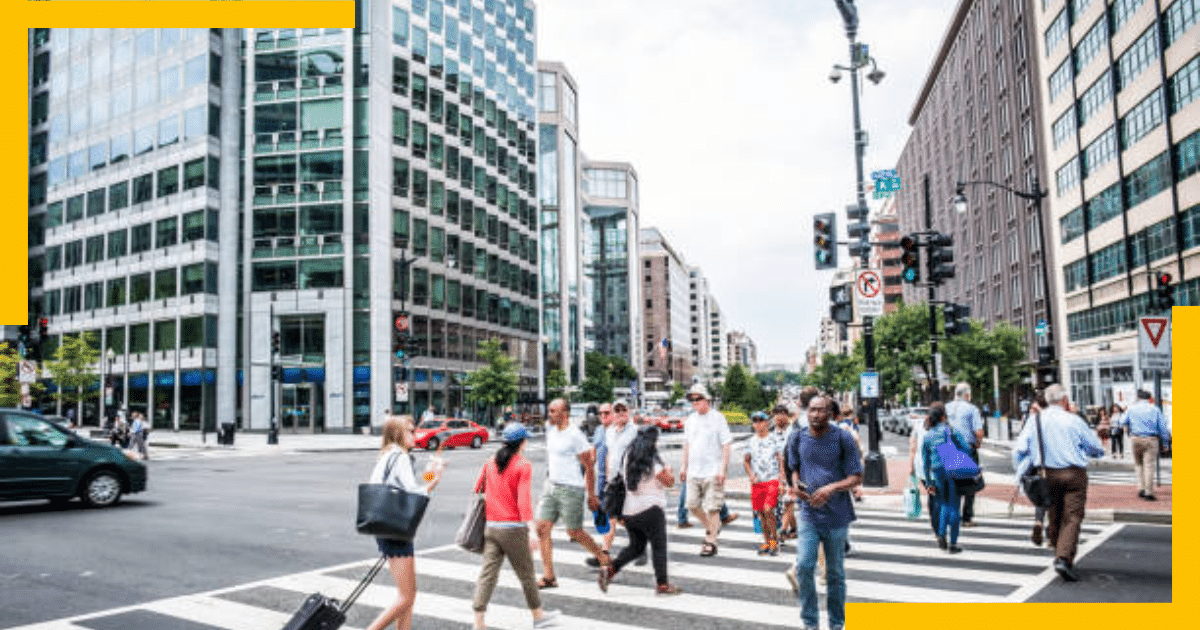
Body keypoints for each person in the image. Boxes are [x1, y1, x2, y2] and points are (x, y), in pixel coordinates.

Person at [1012, 384, 1106, 582]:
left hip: (1046, 473)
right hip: (1073, 474)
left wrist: (1024, 468)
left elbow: (1020, 449)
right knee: (1072, 516)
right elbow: (1095, 448)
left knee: (1054, 513)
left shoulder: (1034, 420)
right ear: (1064, 400)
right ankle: (1063, 558)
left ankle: (1058, 550)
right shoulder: (1074, 420)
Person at [471, 422, 561, 630]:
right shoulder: (523, 465)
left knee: (487, 575)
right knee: (527, 574)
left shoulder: (490, 461)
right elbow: (523, 502)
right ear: (522, 442)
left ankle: (479, 622)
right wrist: (532, 530)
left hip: (491, 527)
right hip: (513, 529)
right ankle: (538, 616)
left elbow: (478, 487)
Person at [786, 395, 862, 630]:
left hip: (837, 516)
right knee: (804, 567)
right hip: (809, 513)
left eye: (821, 410)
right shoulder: (797, 437)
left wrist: (831, 488)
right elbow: (793, 469)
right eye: (812, 410)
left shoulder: (843, 438)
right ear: (806, 411)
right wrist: (796, 484)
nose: (816, 414)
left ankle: (837, 624)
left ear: (831, 413)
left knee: (835, 574)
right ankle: (810, 622)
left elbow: (856, 477)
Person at [366, 414, 444, 630]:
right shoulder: (399, 456)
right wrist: (434, 478)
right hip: (394, 528)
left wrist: (429, 478)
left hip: (387, 526)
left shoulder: (390, 455)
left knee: (406, 596)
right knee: (407, 597)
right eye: (410, 430)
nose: (415, 434)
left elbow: (407, 487)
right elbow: (414, 494)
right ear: (397, 433)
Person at [598, 426, 683, 595]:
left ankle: (610, 570)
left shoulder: (628, 455)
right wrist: (669, 471)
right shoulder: (652, 460)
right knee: (659, 547)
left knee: (636, 547)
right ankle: (662, 584)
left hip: (630, 511)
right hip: (652, 510)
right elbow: (669, 482)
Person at [534, 398, 608, 588]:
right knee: (542, 528)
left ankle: (601, 556)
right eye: (549, 410)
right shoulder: (551, 432)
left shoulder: (575, 435)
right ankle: (549, 576)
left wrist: (592, 495)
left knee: (574, 532)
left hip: (571, 489)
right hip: (551, 486)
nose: (549, 414)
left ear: (564, 413)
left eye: (553, 411)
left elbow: (589, 467)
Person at [680, 383, 733, 557]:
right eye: (692, 400)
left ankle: (710, 542)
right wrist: (683, 467)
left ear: (706, 399)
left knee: (713, 508)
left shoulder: (718, 418)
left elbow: (726, 444)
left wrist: (723, 469)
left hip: (713, 471)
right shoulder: (690, 420)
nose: (694, 402)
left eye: (698, 399)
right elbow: (687, 445)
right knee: (692, 505)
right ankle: (713, 528)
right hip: (694, 471)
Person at [920, 402, 972, 553]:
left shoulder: (928, 436)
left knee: (943, 504)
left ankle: (941, 534)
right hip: (953, 470)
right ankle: (953, 543)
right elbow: (966, 448)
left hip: (937, 472)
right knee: (954, 506)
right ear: (943, 417)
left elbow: (925, 462)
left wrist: (929, 482)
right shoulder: (950, 431)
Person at [743, 411, 785, 556]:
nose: (758, 424)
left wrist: (782, 479)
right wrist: (751, 475)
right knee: (761, 514)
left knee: (768, 510)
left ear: (767, 422)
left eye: (761, 420)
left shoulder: (774, 439)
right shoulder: (750, 441)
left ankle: (774, 542)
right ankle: (767, 542)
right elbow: (746, 461)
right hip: (757, 482)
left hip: (772, 479)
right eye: (755, 421)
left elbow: (781, 459)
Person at [946, 383, 984, 527]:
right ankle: (967, 517)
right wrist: (978, 443)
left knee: (951, 482)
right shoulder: (972, 409)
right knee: (970, 483)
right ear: (967, 395)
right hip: (967, 449)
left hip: (949, 450)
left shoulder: (947, 407)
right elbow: (978, 432)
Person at [1124, 390, 1172, 501]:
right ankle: (1148, 492)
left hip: (1136, 438)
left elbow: (1122, 421)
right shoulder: (1155, 410)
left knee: (1138, 464)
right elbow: (1163, 427)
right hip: (1151, 439)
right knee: (1149, 465)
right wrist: (1165, 444)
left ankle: (1141, 488)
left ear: (1138, 398)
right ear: (1149, 399)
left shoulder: (1131, 409)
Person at [772, 403, 798, 541]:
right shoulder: (771, 433)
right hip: (775, 472)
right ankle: (794, 528)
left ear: (787, 416)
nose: (780, 417)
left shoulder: (794, 431)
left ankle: (781, 531)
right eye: (777, 414)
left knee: (788, 501)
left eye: (783, 414)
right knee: (782, 502)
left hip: (791, 471)